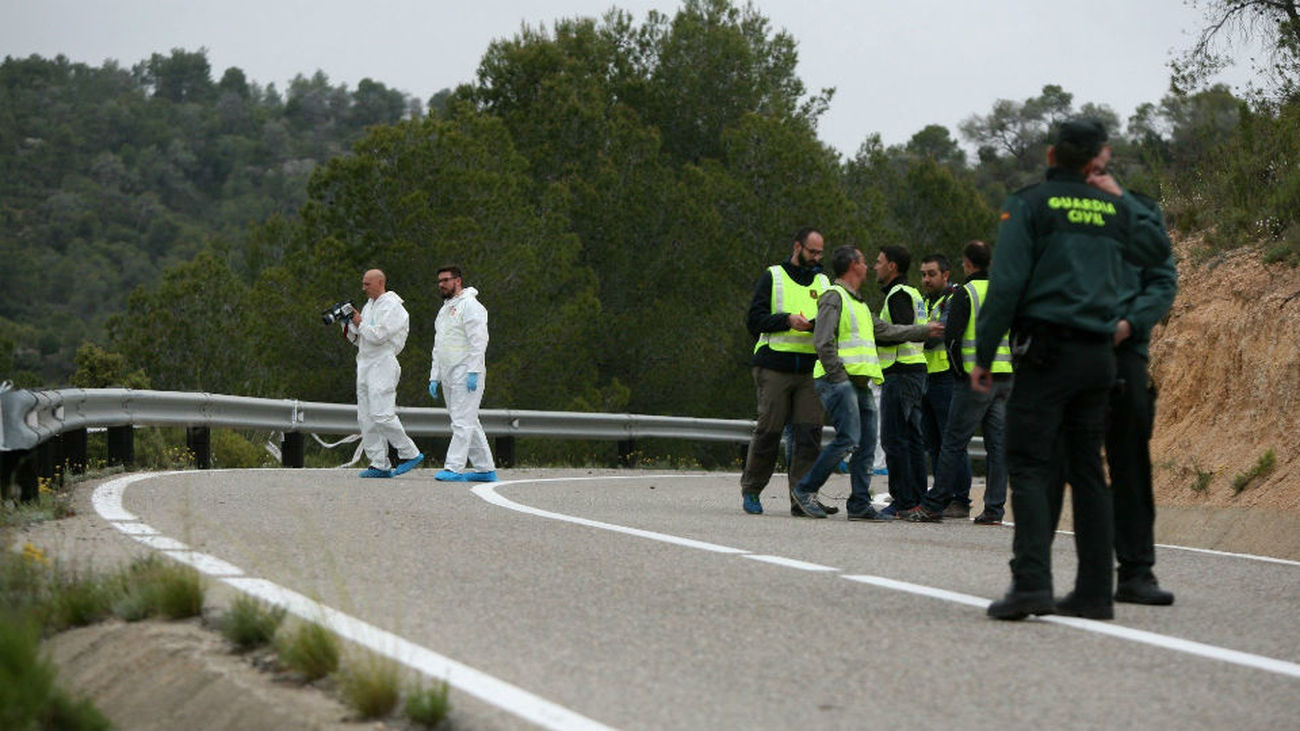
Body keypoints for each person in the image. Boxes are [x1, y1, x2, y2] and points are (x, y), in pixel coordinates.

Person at [972, 119, 1172, 621]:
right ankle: (1094, 592)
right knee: (1089, 471)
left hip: (1047, 353)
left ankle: (1032, 583)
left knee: (1033, 466)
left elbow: (1007, 284)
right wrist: (1121, 199)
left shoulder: (1031, 203)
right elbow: (1156, 251)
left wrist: (982, 354)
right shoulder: (1114, 207)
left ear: (1049, 154)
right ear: (1092, 161)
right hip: (1099, 358)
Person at [790, 245, 938, 520]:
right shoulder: (833, 297)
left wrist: (925, 330)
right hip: (839, 381)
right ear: (853, 266)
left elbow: (886, 330)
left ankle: (859, 503)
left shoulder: (857, 303)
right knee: (848, 439)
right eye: (865, 261)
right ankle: (805, 489)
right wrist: (840, 379)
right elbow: (822, 342)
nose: (869, 266)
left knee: (867, 444)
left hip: (860, 382)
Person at [909, 240, 1012, 525]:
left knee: (952, 443)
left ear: (967, 264)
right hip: (1004, 378)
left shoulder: (965, 293)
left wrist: (959, 374)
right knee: (998, 447)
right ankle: (994, 509)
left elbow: (952, 339)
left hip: (974, 379)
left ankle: (934, 504)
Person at [740, 228, 839, 516]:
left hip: (810, 370)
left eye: (820, 253)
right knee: (768, 431)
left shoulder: (823, 281)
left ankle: (802, 497)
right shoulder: (773, 276)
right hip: (774, 367)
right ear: (797, 247)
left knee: (809, 435)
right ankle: (752, 489)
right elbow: (754, 320)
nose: (817, 258)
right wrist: (786, 321)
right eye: (812, 251)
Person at [345, 269, 424, 478]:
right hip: (365, 362)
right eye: (363, 284)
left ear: (380, 283)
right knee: (366, 417)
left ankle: (409, 452)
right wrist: (348, 325)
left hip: (383, 363)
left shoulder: (394, 306)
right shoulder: (369, 306)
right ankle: (379, 462)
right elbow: (361, 340)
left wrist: (359, 321)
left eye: (367, 284)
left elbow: (379, 335)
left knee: (382, 414)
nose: (363, 288)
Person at [874, 245, 930, 518]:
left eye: (879, 262)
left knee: (894, 439)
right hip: (914, 370)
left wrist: (871, 331)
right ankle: (918, 500)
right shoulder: (913, 292)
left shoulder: (898, 294)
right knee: (912, 439)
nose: (875, 266)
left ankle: (904, 502)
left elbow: (902, 330)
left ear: (892, 266)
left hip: (901, 371)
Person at [428, 265, 497, 482]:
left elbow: (479, 341)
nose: (442, 284)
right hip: (449, 371)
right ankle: (485, 468)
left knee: (462, 422)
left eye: (446, 280)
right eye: (439, 281)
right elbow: (439, 345)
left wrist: (474, 371)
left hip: (466, 371)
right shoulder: (445, 310)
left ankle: (454, 467)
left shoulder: (471, 306)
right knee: (467, 420)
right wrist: (434, 375)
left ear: (458, 281)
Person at [918, 253, 972, 518]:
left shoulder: (954, 297)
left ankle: (960, 499)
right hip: (926, 377)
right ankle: (943, 494)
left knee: (952, 441)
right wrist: (924, 330)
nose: (926, 279)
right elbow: (924, 332)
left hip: (946, 378)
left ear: (946, 274)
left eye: (931, 274)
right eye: (923, 274)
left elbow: (940, 332)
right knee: (934, 442)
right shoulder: (928, 300)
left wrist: (922, 332)